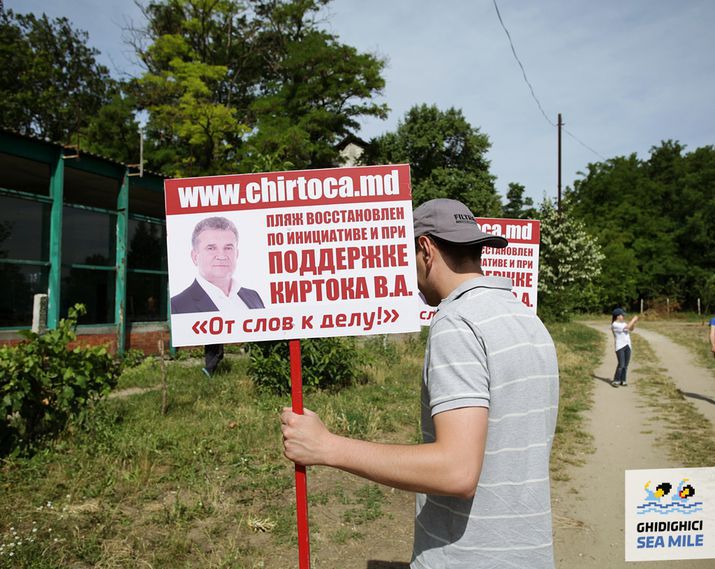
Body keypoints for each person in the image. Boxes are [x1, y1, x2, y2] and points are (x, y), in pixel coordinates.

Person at [280, 198, 560, 568]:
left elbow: (456, 471)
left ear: (426, 249)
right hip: (529, 555)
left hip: (468, 559)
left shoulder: (457, 323)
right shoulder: (527, 319)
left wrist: (326, 447)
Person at [170, 216, 264, 376]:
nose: (221, 255)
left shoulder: (253, 297)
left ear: (237, 254)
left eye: (228, 248)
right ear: (195, 256)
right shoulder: (179, 305)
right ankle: (210, 370)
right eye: (211, 248)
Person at [610, 307, 639, 387]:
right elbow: (627, 328)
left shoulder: (623, 323)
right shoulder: (614, 324)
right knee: (621, 364)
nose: (623, 316)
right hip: (620, 347)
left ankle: (623, 380)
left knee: (625, 365)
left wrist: (634, 323)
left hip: (627, 345)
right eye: (622, 315)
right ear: (617, 316)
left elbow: (631, 329)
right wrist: (633, 319)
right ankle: (616, 380)